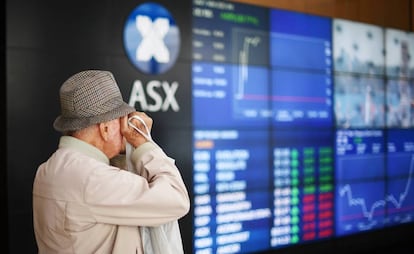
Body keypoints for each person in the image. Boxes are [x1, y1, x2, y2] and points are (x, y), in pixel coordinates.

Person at [32, 70, 190, 253]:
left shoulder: (48, 169)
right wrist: (143, 142)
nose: (125, 130)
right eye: (121, 121)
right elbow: (176, 198)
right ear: (105, 128)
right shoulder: (92, 179)